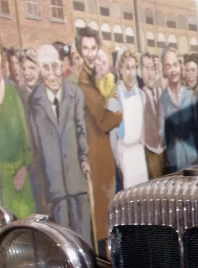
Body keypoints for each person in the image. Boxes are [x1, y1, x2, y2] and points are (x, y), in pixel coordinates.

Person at [27, 44, 93, 246]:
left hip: (76, 179)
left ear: (62, 65)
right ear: (39, 70)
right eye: (46, 68)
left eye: (55, 67)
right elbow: (36, 145)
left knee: (84, 238)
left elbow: (81, 130)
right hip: (54, 185)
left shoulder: (75, 94)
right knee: (63, 241)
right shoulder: (34, 101)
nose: (52, 75)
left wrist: (84, 158)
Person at [0, 26, 36, 220]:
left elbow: (29, 139)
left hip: (25, 178)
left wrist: (23, 168)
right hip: (3, 184)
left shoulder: (16, 93)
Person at [77, 26, 122, 256]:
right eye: (86, 48)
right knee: (101, 222)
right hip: (96, 158)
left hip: (104, 156)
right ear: (79, 50)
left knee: (107, 215)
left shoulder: (96, 79)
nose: (91, 53)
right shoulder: (84, 84)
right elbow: (103, 121)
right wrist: (121, 115)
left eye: (93, 48)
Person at [108, 50, 148, 189]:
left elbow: (142, 125)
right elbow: (113, 136)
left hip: (138, 152)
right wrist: (118, 161)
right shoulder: (115, 98)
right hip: (124, 154)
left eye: (133, 68)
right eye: (127, 68)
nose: (131, 73)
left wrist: (141, 145)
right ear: (120, 70)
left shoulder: (141, 95)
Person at [160, 47, 197, 173]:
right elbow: (162, 137)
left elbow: (197, 129)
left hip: (192, 161)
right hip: (173, 164)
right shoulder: (162, 99)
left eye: (175, 65)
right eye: (168, 66)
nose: (173, 70)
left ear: (180, 67)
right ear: (164, 70)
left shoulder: (190, 95)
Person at [140, 52, 164, 179]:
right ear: (140, 72)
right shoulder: (139, 96)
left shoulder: (161, 93)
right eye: (146, 68)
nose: (150, 74)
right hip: (151, 151)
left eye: (152, 68)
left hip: (163, 150)